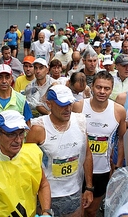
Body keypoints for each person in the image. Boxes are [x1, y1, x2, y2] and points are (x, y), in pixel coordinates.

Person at [26, 85, 94, 216]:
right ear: (49, 104)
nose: (67, 108)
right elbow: (28, 163)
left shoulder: (80, 121)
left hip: (74, 192)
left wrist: (89, 187)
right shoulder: (38, 128)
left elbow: (87, 154)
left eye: (69, 103)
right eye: (62, 104)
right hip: (47, 195)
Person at [72, 71, 126, 217]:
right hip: (78, 169)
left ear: (112, 89)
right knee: (76, 211)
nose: (102, 91)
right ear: (92, 87)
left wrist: (118, 166)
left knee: (91, 211)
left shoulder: (118, 111)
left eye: (106, 88)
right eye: (99, 87)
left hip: (102, 170)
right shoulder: (78, 107)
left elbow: (121, 140)